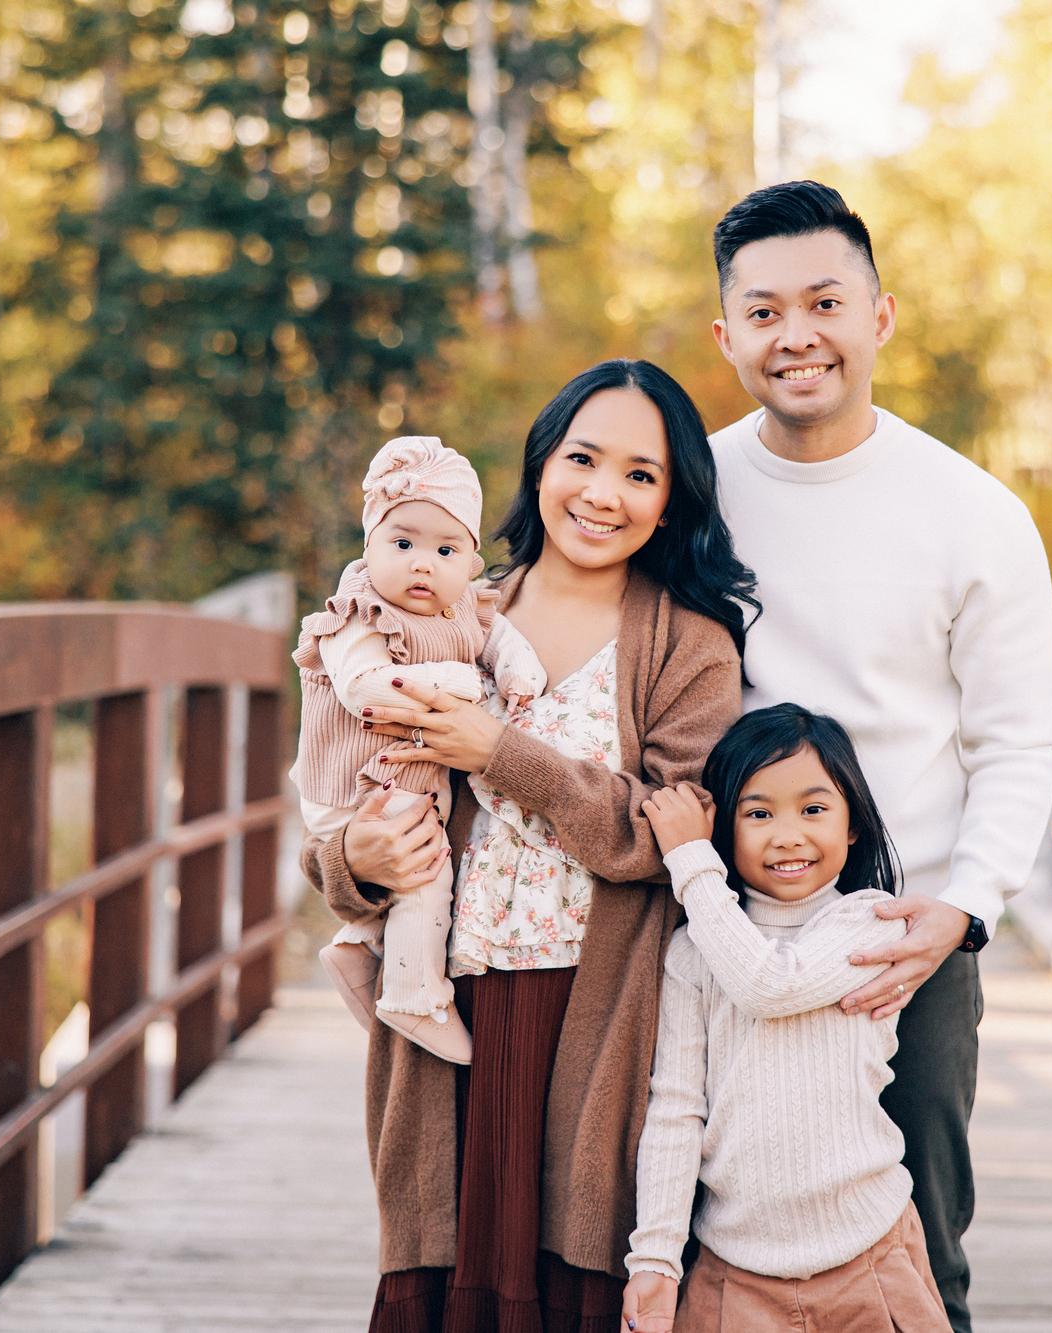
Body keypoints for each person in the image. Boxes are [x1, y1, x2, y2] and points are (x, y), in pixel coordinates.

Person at [298, 359, 760, 1329]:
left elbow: (662, 835)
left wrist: (499, 751)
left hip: (596, 1010)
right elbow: (340, 811)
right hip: (448, 1009)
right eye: (581, 458)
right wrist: (361, 864)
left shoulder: (689, 646)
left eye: (640, 473)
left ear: (673, 501)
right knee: (448, 1267)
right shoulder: (447, 615)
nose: (602, 492)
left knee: (570, 1276)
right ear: (539, 463)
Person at [704, 180, 1052, 1330]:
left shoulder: (972, 512)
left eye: (823, 302)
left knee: (915, 1250)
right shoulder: (690, 491)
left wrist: (963, 908)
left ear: (879, 318)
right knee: (697, 1231)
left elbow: (1020, 735)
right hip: (713, 930)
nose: (795, 335)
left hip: (901, 941)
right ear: (725, 337)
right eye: (763, 312)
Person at [623, 705, 953, 1333]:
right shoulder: (694, 953)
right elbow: (676, 1110)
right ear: (728, 827)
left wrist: (690, 861)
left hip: (870, 1253)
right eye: (758, 813)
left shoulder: (871, 921)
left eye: (813, 809)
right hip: (737, 1270)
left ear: (853, 823)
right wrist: (656, 1260)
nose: (787, 835)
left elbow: (769, 984)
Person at [289, 435, 547, 1064]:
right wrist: (468, 684)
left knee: (421, 867)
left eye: (445, 549)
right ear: (370, 546)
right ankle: (413, 995)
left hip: (403, 779)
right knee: (426, 875)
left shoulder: (468, 605)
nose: (422, 565)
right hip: (351, 783)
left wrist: (517, 672)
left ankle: (360, 948)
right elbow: (364, 688)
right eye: (401, 544)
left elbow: (502, 639)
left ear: (470, 558)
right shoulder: (356, 612)